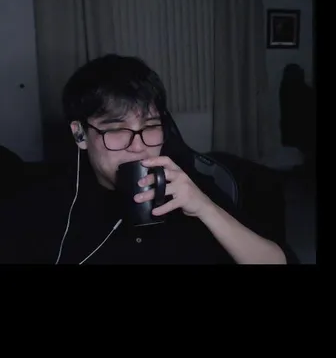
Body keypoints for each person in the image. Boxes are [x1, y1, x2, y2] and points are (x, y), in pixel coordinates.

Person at [0, 55, 290, 264]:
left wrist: (205, 208)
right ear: (80, 134)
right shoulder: (43, 204)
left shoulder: (187, 186)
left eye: (150, 127)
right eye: (116, 130)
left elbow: (275, 260)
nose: (138, 147)